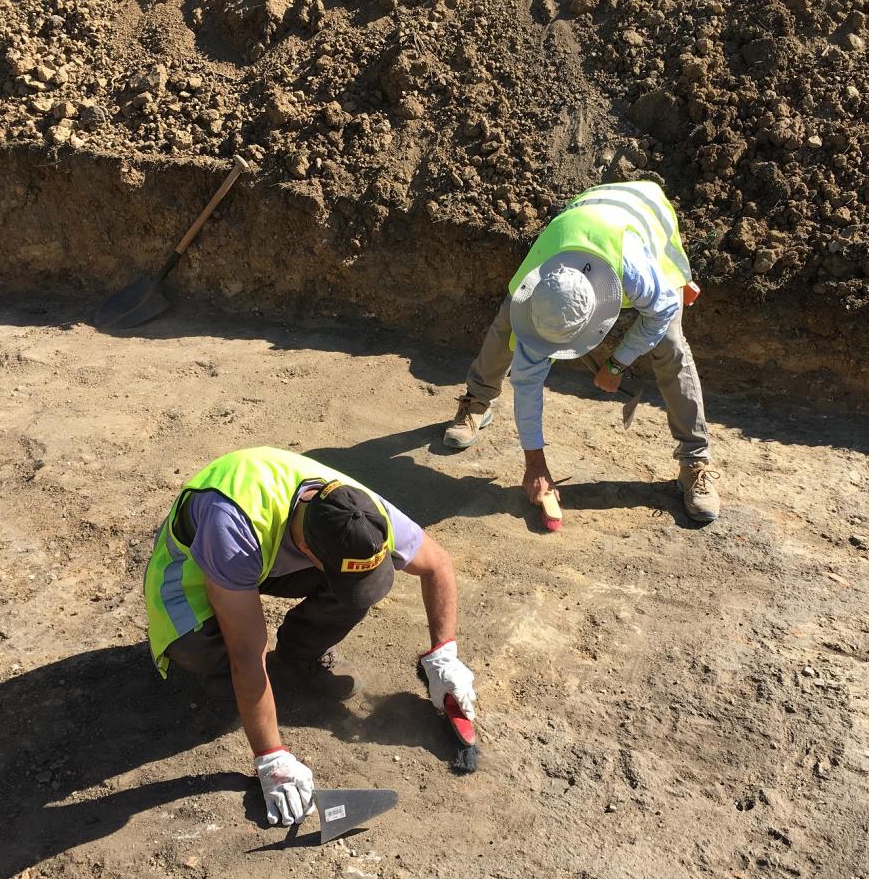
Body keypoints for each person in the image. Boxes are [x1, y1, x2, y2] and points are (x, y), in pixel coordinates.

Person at [143, 446, 477, 826]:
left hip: (269, 550)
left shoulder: (360, 514)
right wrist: (271, 758)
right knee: (202, 651)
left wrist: (443, 654)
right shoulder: (231, 530)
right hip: (194, 569)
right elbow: (247, 655)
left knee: (353, 591)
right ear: (305, 550)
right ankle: (229, 679)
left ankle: (298, 659)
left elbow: (438, 564)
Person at [442, 181, 720, 523]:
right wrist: (535, 464)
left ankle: (694, 462)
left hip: (646, 216)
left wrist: (617, 363)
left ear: (600, 310)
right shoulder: (535, 286)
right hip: (580, 219)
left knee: (671, 343)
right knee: (507, 324)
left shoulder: (634, 273)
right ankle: (477, 402)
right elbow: (527, 383)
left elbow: (660, 311)